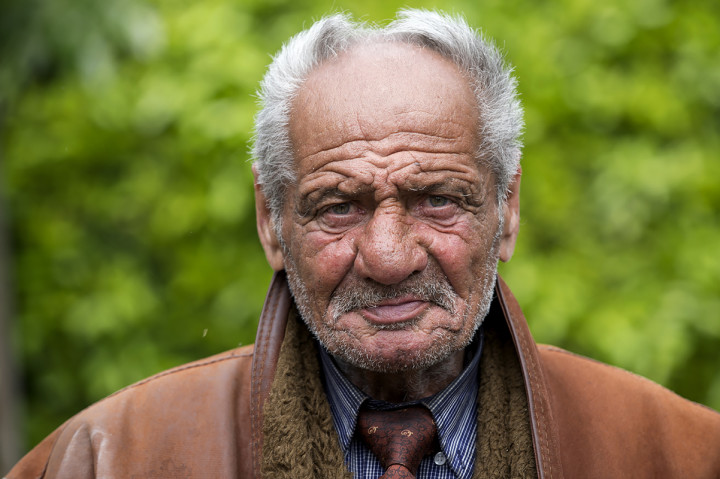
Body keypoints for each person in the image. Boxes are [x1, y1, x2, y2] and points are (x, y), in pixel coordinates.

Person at [5, 9, 720, 479]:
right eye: (338, 206)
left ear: (506, 210)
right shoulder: (109, 459)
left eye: (438, 199)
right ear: (270, 219)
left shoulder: (675, 454)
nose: (387, 255)